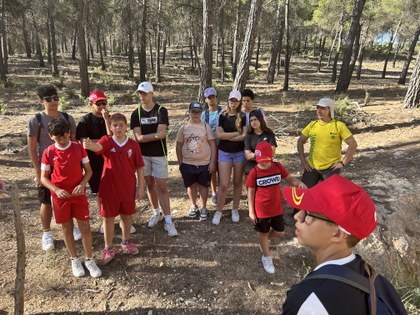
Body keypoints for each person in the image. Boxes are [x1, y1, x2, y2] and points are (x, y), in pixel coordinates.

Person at [282, 174, 406, 314]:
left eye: (307, 213)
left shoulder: (307, 300)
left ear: (337, 234)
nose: (296, 216)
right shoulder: (375, 281)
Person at [40, 118, 101, 278]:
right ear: (50, 136)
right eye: (57, 138)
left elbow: (88, 171)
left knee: (85, 227)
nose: (61, 140)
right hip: (60, 196)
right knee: (67, 228)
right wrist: (56, 189)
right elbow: (43, 178)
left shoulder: (78, 148)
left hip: (78, 193)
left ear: (69, 133)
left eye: (64, 136)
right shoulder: (49, 152)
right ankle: (74, 259)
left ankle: (89, 259)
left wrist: (82, 184)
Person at [83, 113, 144, 264]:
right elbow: (98, 146)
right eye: (115, 125)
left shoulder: (133, 145)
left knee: (127, 216)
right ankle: (108, 248)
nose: (118, 128)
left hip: (127, 188)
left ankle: (126, 242)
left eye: (121, 125)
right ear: (110, 127)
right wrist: (90, 146)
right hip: (109, 189)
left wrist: (141, 186)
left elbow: (140, 167)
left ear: (126, 127)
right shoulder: (107, 141)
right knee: (108, 218)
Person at [27, 84, 80, 251]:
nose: (53, 102)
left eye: (56, 98)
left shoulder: (67, 118)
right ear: (41, 101)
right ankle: (47, 232)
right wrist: (38, 171)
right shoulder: (36, 120)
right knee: (45, 200)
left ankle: (72, 226)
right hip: (47, 167)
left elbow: (74, 143)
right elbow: (32, 147)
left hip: (67, 166)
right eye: (49, 99)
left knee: (70, 196)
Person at [246, 141, 306, 274]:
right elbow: (250, 192)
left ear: (271, 157)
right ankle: (266, 256)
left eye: (266, 160)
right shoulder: (254, 172)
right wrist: (251, 211)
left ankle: (263, 242)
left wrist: (298, 183)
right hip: (261, 210)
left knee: (280, 232)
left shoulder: (277, 166)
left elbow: (290, 179)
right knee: (263, 231)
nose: (262, 163)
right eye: (260, 160)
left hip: (276, 208)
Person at [130, 81, 178, 237]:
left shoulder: (161, 111)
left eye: (144, 93)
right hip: (143, 156)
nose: (142, 96)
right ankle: (156, 212)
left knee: (162, 186)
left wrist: (149, 137)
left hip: (159, 154)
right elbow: (138, 138)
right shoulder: (135, 113)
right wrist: (155, 136)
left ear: (152, 94)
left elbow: (161, 134)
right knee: (149, 184)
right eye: (139, 93)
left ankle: (168, 220)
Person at [297, 97, 357, 189]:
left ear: (330, 110)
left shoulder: (338, 126)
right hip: (312, 167)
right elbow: (300, 141)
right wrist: (303, 160)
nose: (319, 111)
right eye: (318, 108)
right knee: (303, 193)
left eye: (323, 108)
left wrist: (343, 163)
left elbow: (353, 144)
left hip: (331, 169)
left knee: (329, 196)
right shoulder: (312, 125)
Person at [176, 101, 217, 221]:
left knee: (203, 186)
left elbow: (213, 145)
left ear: (201, 113)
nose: (196, 114)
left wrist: (212, 162)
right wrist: (180, 162)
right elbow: (178, 145)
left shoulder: (205, 127)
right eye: (193, 112)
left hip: (204, 163)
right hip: (188, 163)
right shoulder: (184, 128)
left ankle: (203, 207)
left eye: (198, 112)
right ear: (189, 112)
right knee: (191, 185)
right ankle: (193, 205)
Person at [212, 90, 247, 225]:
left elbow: (243, 136)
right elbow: (219, 135)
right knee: (224, 184)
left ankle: (235, 209)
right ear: (228, 101)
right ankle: (219, 211)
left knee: (237, 183)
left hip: (239, 153)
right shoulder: (222, 115)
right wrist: (234, 134)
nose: (233, 103)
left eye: (236, 101)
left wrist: (227, 136)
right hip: (224, 153)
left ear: (239, 102)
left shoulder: (243, 116)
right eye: (231, 100)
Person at [201, 87, 222, 205]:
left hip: (223, 145)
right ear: (206, 100)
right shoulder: (204, 114)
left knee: (222, 170)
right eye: (209, 98)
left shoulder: (223, 111)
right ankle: (214, 192)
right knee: (213, 170)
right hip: (209, 146)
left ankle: (222, 191)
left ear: (216, 98)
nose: (211, 99)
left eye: (213, 97)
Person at [244, 110, 277, 176]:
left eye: (255, 119)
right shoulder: (248, 136)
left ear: (260, 119)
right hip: (251, 167)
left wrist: (254, 155)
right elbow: (248, 155)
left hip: (267, 166)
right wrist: (264, 156)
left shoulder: (269, 134)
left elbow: (271, 154)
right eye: (251, 121)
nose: (253, 122)